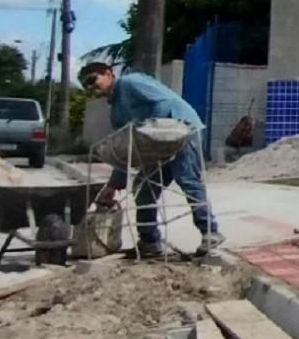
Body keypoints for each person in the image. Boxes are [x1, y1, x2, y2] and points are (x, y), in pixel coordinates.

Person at [80, 61, 222, 259]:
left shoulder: (130, 83)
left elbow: (163, 102)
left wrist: (149, 131)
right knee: (143, 189)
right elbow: (127, 149)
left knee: (188, 180)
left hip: (181, 131)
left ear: (108, 73)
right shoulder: (116, 112)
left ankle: (210, 232)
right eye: (85, 85)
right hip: (157, 142)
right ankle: (150, 241)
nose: (90, 87)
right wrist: (113, 185)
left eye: (92, 80)